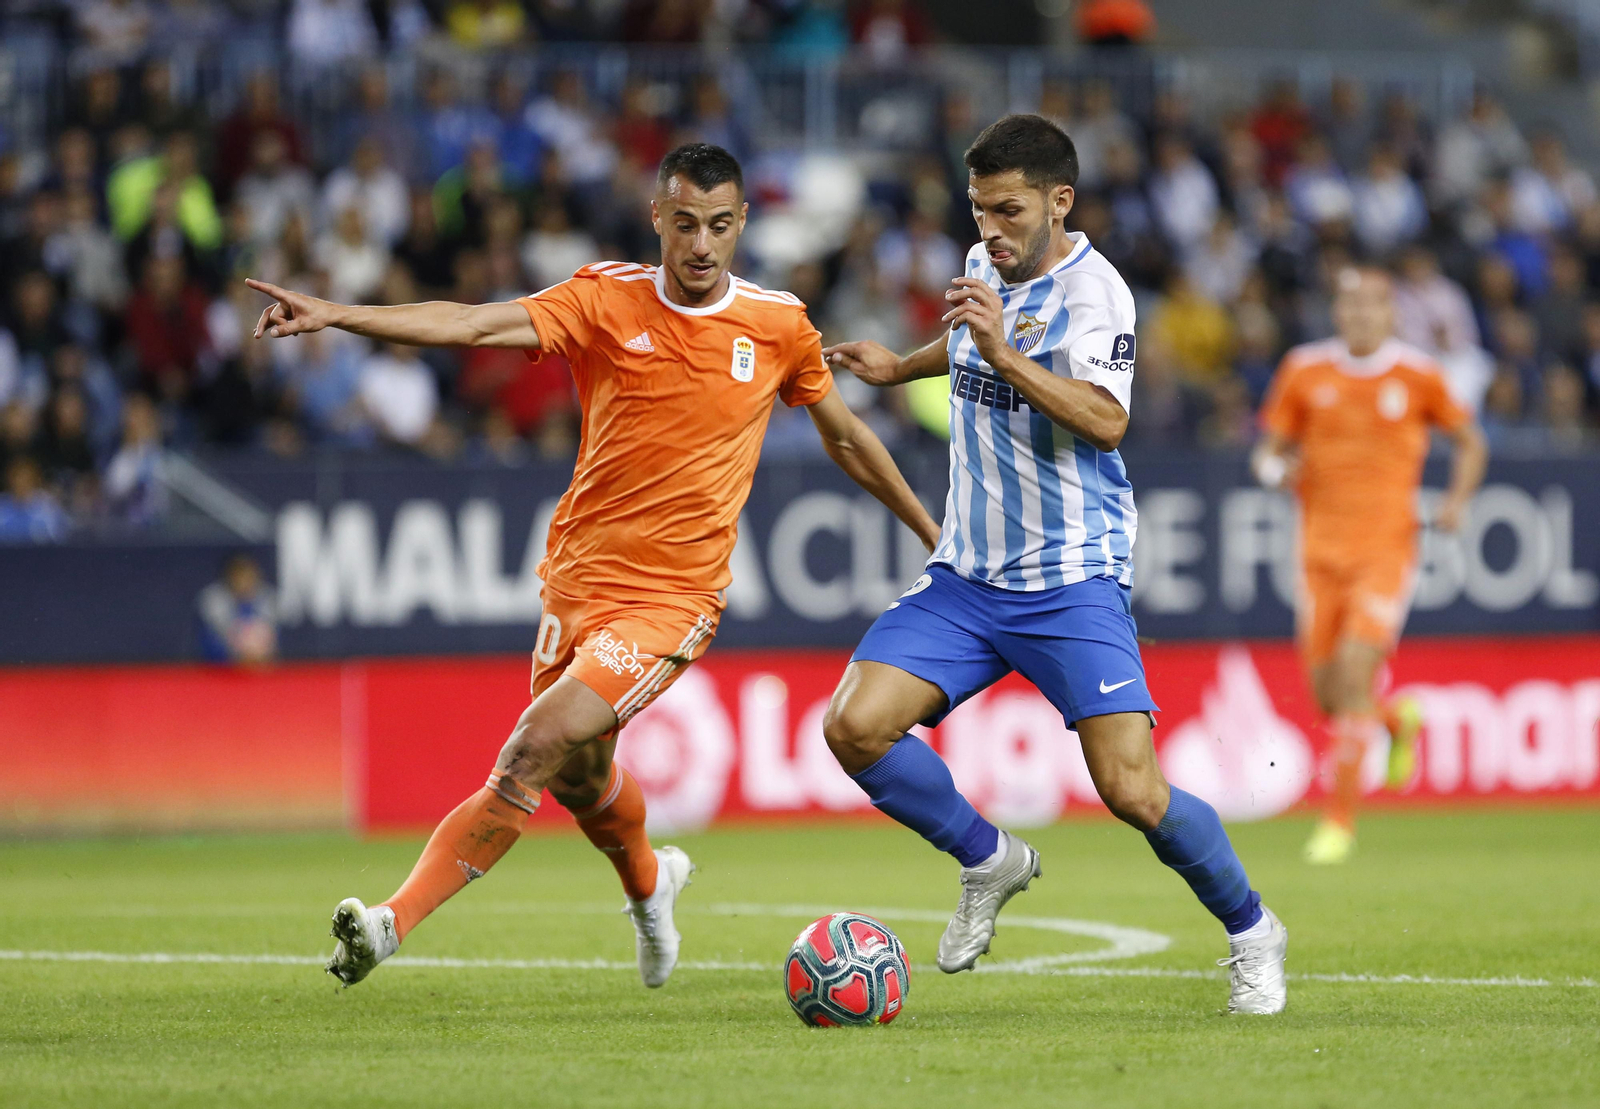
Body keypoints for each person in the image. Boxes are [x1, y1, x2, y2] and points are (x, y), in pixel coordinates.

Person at [246, 143, 940, 990]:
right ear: (658, 218)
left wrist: (929, 531)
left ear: (742, 224)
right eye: (685, 223)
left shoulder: (778, 324)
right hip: (575, 583)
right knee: (580, 778)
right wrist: (335, 314)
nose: (701, 245)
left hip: (673, 599)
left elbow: (847, 437)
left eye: (719, 225)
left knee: (531, 747)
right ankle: (652, 884)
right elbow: (473, 325)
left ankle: (390, 923)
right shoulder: (603, 298)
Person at [821, 115, 1289, 1016]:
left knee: (1132, 790)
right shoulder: (984, 260)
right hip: (968, 574)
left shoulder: (1098, 295)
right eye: (978, 209)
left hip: (1070, 575)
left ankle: (1252, 929)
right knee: (855, 726)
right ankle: (988, 858)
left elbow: (1107, 419)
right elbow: (969, 347)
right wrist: (900, 368)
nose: (990, 228)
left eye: (1008, 210)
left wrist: (1003, 350)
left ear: (1058, 201)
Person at [1253, 267, 1487, 865]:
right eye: (1351, 305)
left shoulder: (1418, 374)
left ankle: (1338, 822)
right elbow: (1267, 454)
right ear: (1338, 312)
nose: (1360, 315)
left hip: (1385, 551)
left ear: (1391, 313)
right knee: (1328, 696)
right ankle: (1396, 721)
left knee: (1356, 675)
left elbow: (1471, 442)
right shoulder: (1304, 369)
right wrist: (1276, 472)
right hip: (1318, 555)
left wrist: (1456, 503)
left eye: (1372, 305)